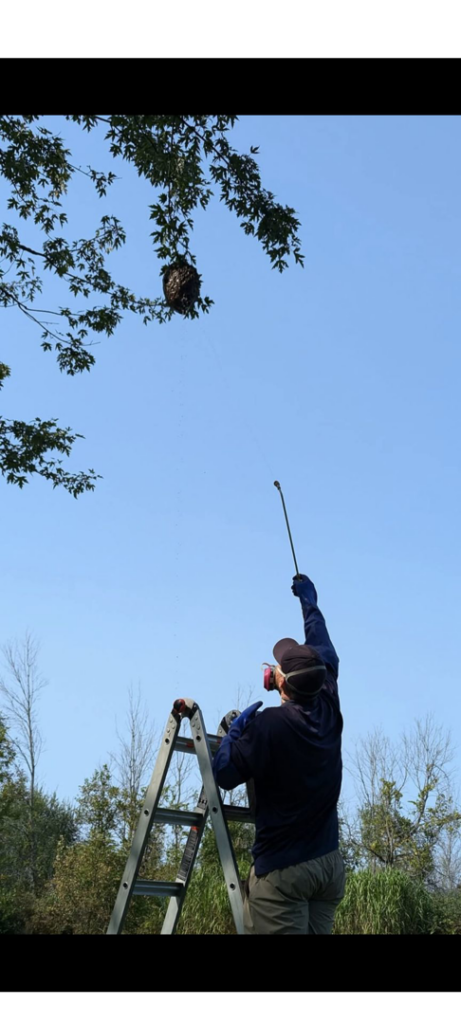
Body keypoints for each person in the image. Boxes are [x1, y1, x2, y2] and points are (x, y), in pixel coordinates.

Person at [212, 573, 345, 935]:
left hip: (285, 873)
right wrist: (309, 603)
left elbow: (223, 774)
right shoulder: (329, 703)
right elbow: (325, 649)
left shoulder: (270, 725)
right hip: (328, 867)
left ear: (278, 681)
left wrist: (235, 731)